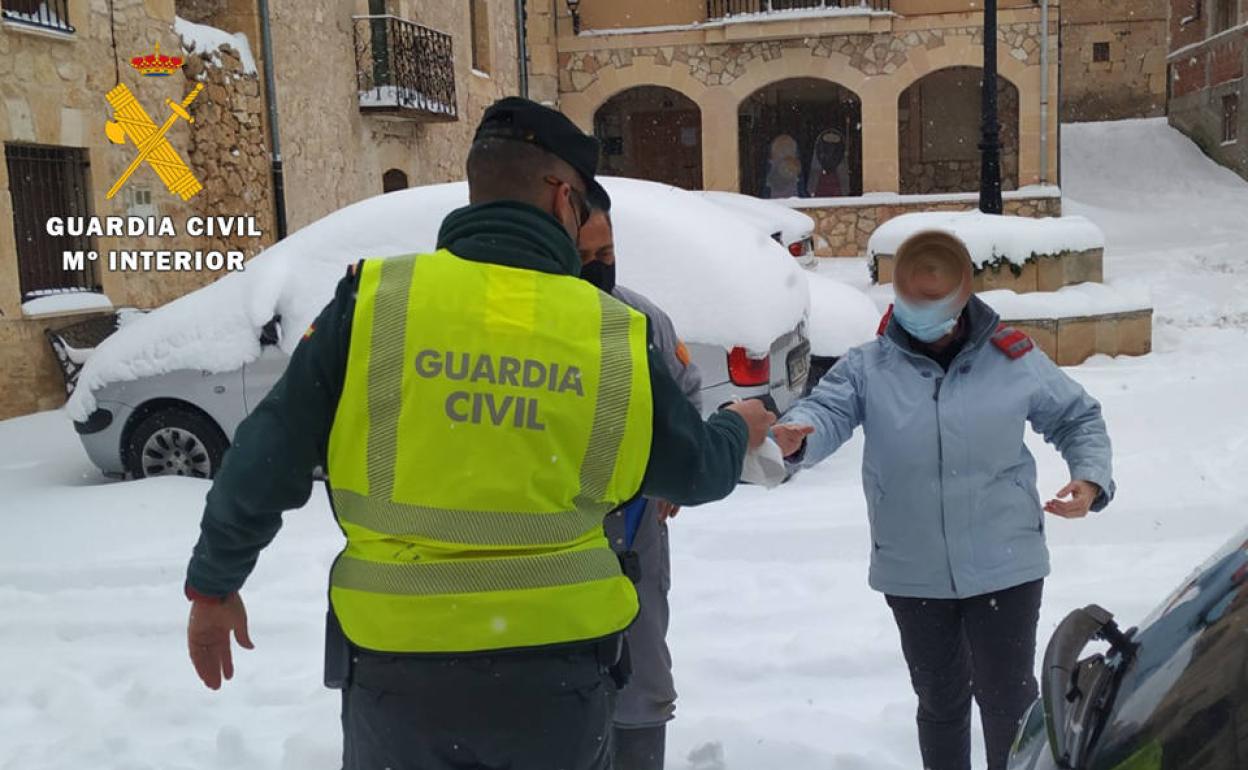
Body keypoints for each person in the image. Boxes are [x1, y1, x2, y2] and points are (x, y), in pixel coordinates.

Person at [182, 97, 777, 770]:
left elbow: (266, 455)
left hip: (397, 679)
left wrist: (214, 585)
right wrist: (736, 425)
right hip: (557, 681)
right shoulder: (611, 333)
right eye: (582, 206)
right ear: (560, 197)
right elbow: (693, 473)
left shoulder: (377, 301)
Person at [772, 229, 1116, 770]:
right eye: (911, 305)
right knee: (940, 701)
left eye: (934, 307)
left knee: (1007, 700)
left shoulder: (1011, 358)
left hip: (1006, 563)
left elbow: (1077, 416)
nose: (920, 318)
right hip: (914, 570)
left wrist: (1090, 477)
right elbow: (826, 412)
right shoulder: (870, 367)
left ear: (961, 305)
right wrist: (799, 433)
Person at [578, 198, 694, 770]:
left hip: (636, 533)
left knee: (644, 675)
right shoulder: (525, 330)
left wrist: (676, 466)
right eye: (585, 257)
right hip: (559, 541)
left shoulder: (643, 321)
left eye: (608, 253)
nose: (600, 267)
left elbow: (686, 392)